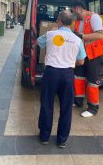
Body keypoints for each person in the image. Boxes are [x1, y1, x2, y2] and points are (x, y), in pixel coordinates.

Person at [37, 10, 86, 148]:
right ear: (71, 23)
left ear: (59, 21)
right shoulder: (77, 39)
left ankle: (44, 136)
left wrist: (52, 33)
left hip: (51, 73)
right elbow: (81, 61)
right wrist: (69, 61)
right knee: (66, 108)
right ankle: (62, 140)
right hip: (67, 74)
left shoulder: (50, 34)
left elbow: (38, 43)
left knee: (47, 104)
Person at [72, 1, 103, 118]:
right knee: (78, 77)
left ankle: (93, 108)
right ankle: (78, 101)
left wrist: (81, 36)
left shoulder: (94, 17)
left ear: (78, 9)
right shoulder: (77, 21)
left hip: (97, 55)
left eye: (73, 11)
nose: (73, 13)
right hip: (84, 55)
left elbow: (100, 35)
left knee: (92, 82)